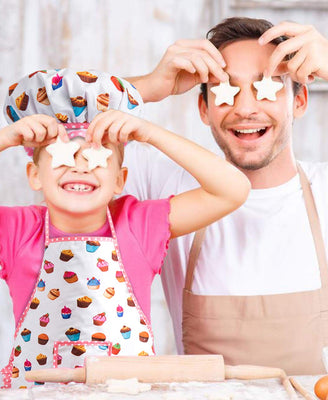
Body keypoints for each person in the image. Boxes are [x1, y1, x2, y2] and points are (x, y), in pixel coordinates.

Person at [0, 68, 249, 388]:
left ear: (120, 180)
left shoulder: (139, 225)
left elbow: (232, 189)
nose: (79, 166)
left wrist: (149, 133)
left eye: (96, 157)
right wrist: (2, 139)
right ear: (34, 174)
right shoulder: (19, 231)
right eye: (63, 156)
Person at [123, 17, 328, 375]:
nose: (246, 109)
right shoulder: (166, 186)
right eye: (225, 90)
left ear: (299, 101)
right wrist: (146, 87)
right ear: (204, 109)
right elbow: (41, 128)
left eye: (267, 88)